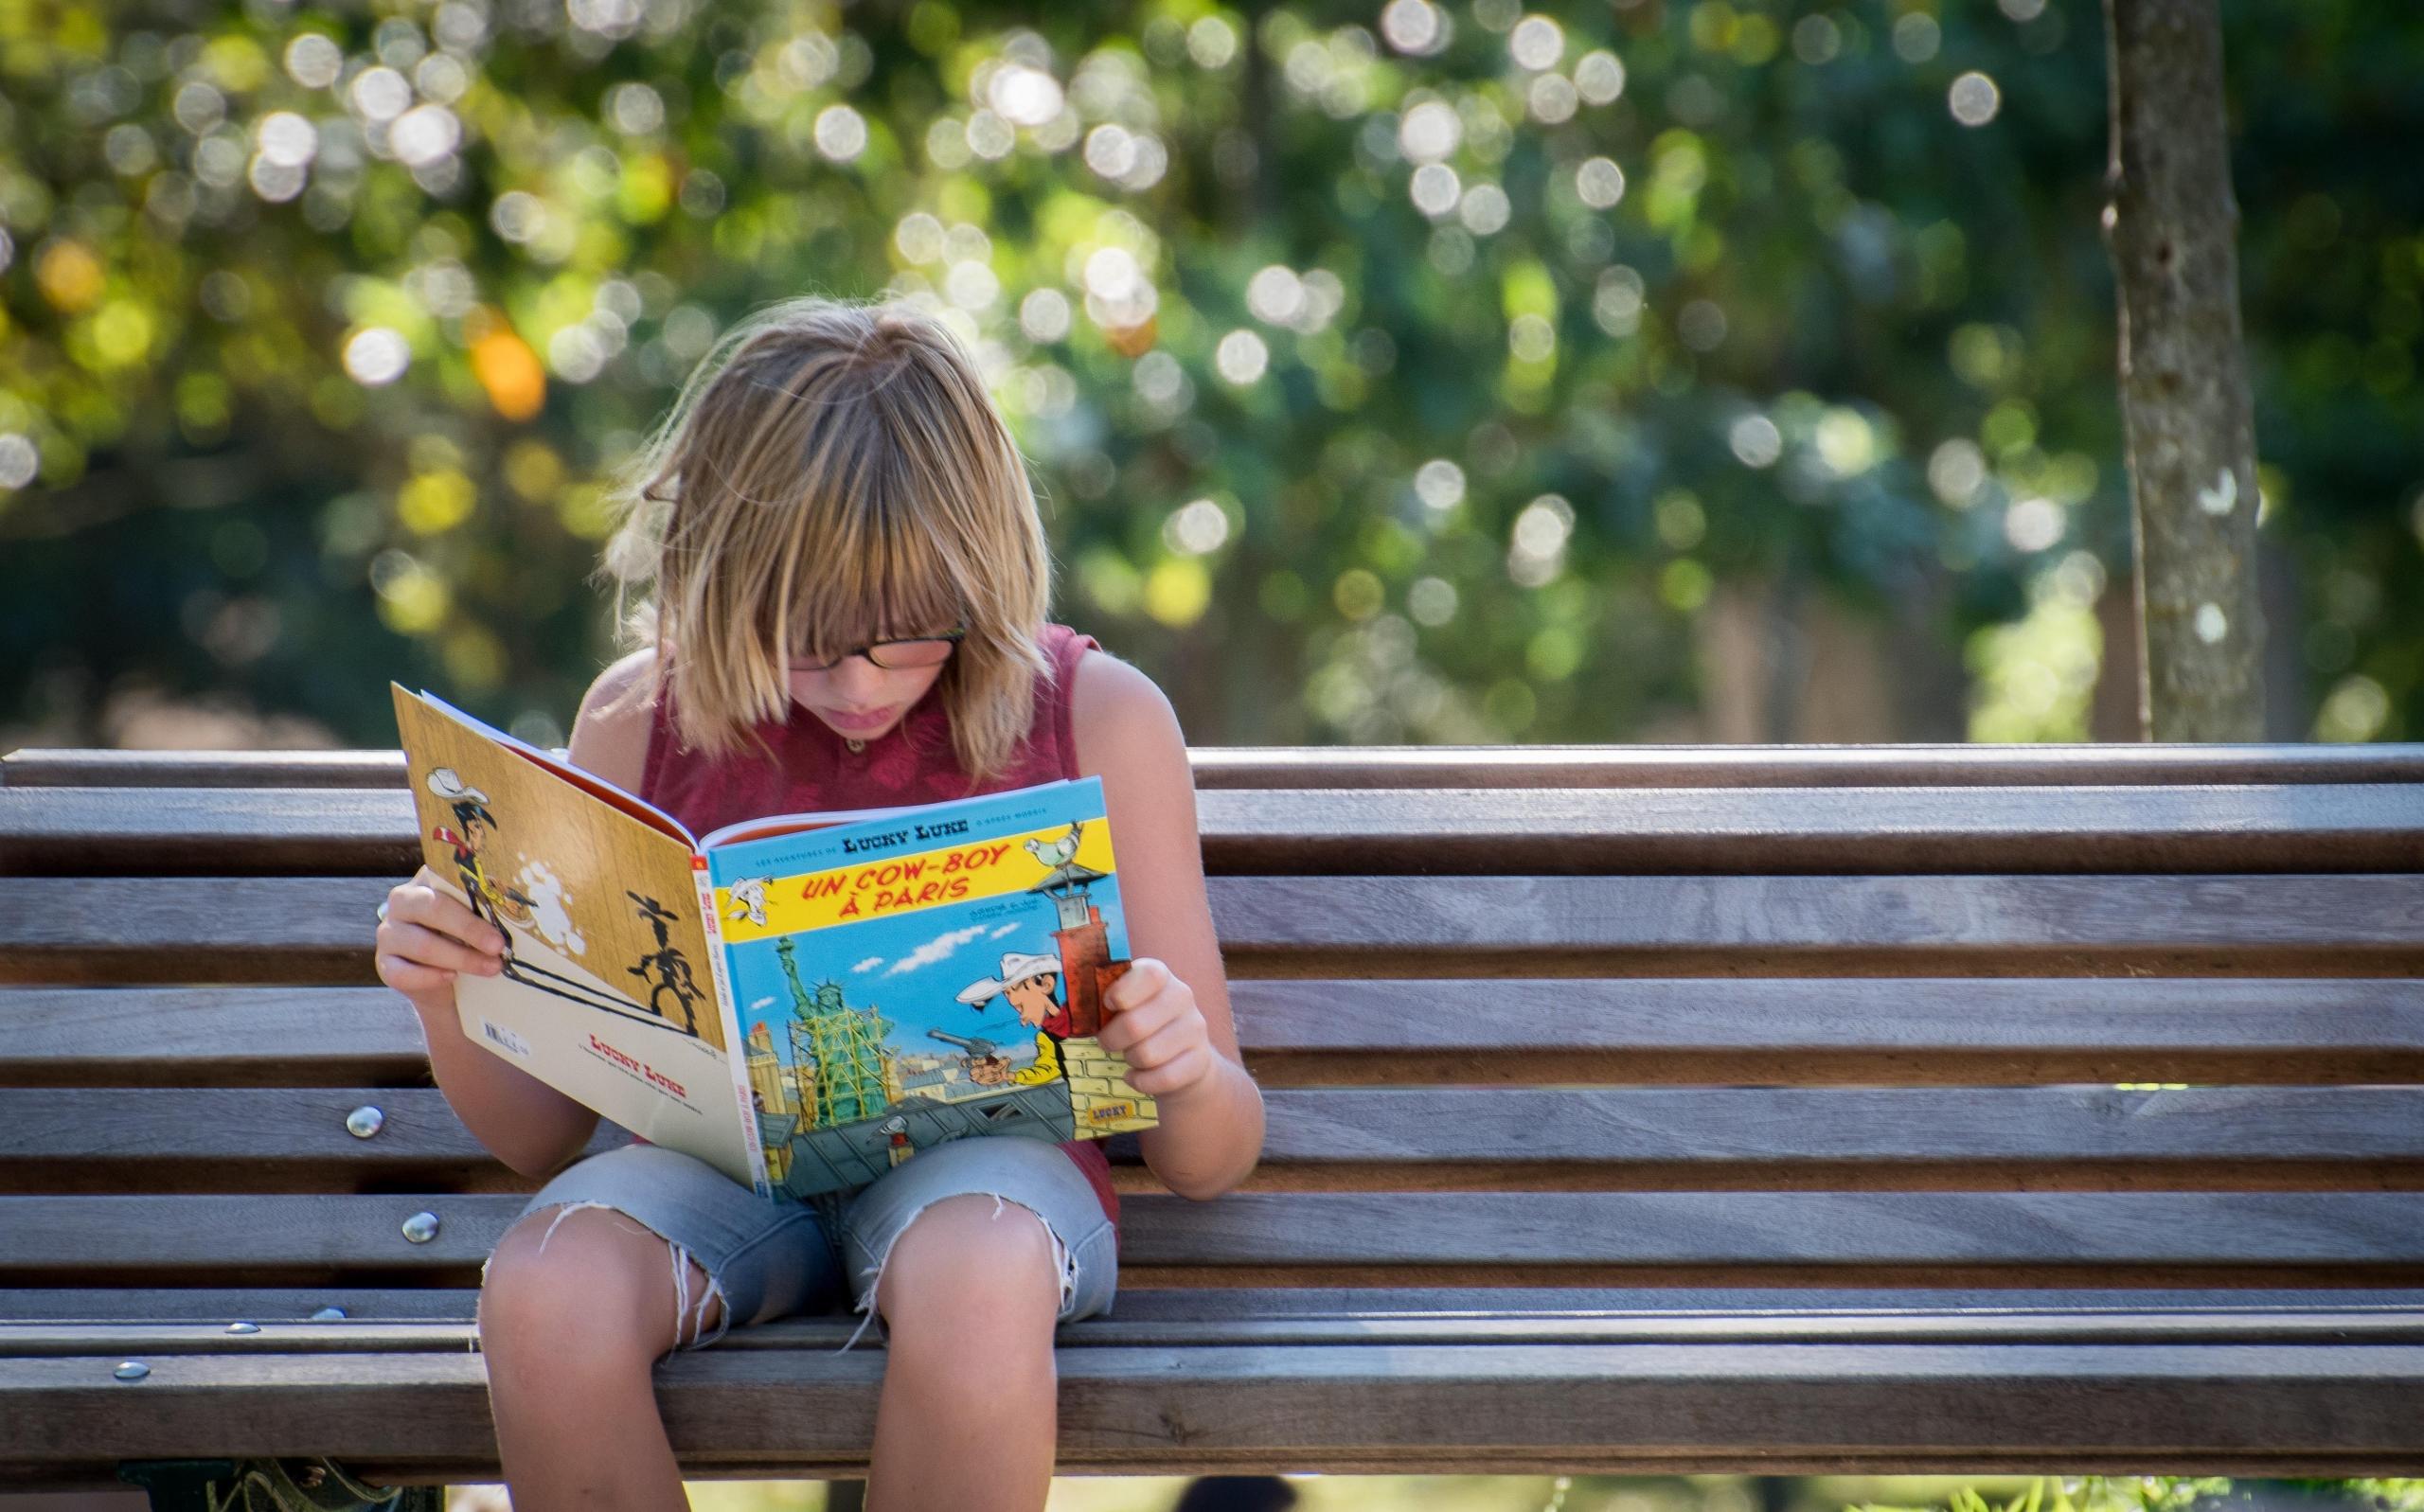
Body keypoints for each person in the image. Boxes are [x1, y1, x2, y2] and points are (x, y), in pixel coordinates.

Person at [372, 295, 1265, 1512]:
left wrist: (1178, 1066)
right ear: (717, 579)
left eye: (905, 640)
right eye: (804, 640)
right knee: (546, 1282)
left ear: (982, 573)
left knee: (977, 1267)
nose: (855, 684)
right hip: (712, 1178)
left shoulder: (1093, 717)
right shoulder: (641, 720)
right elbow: (538, 1137)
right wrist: (447, 986)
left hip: (989, 1185)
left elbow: (1214, 1154)